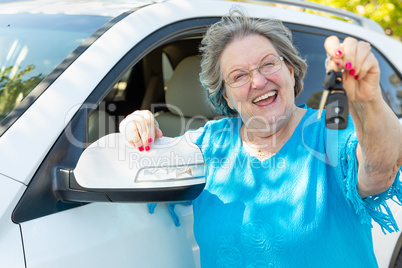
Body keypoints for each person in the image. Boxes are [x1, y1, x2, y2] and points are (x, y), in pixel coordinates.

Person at [119, 7, 402, 267]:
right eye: (239, 76)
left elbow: (378, 172)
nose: (258, 82)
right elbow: (143, 164)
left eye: (268, 64)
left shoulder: (330, 130)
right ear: (226, 96)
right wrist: (134, 130)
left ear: (290, 71)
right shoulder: (207, 144)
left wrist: (369, 102)